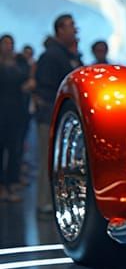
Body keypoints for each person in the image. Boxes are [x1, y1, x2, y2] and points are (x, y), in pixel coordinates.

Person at [34, 14, 82, 215]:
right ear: (59, 30)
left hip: (64, 118)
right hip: (49, 117)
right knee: (47, 160)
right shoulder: (51, 56)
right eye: (71, 26)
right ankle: (43, 202)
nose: (75, 29)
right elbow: (44, 89)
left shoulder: (71, 55)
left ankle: (57, 203)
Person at [0, 35, 31, 202]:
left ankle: (11, 183)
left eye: (10, 44)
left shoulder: (17, 64)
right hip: (3, 112)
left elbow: (26, 79)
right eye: (5, 43)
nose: (8, 47)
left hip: (16, 112)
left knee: (14, 149)